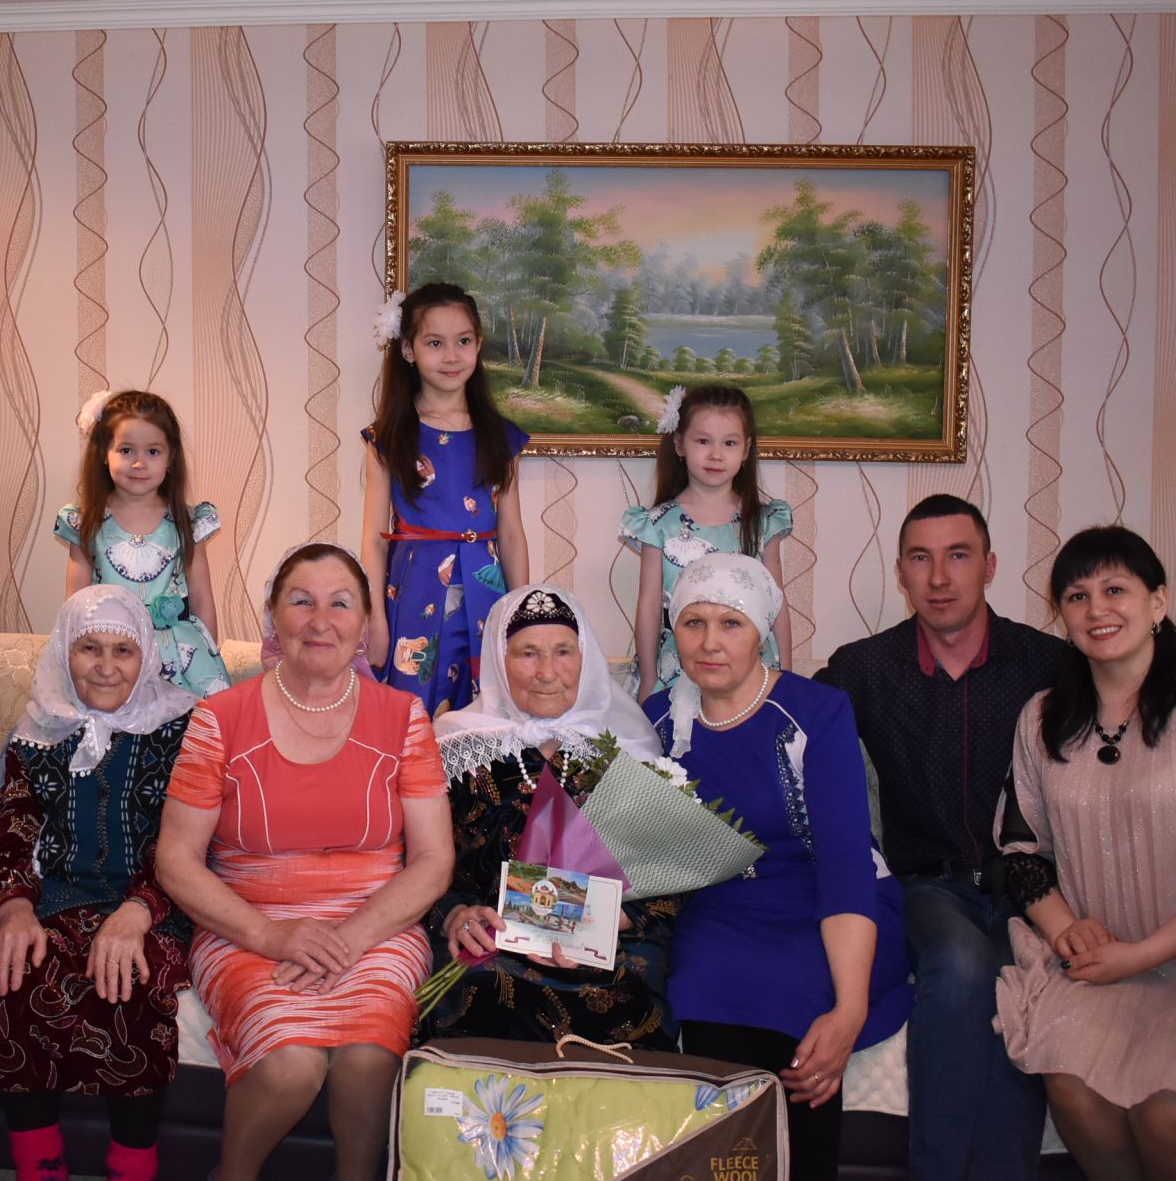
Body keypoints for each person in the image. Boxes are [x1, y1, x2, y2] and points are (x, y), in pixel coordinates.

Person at [156, 543, 454, 1181]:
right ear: (273, 615)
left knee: (369, 1057)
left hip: (376, 926)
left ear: (365, 623)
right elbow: (176, 860)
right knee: (291, 1065)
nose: (321, 621)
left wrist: (348, 940)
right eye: (301, 602)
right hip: (248, 925)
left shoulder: (404, 718)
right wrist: (272, 936)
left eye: (340, 604)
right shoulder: (217, 719)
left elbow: (433, 861)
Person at [994, 526, 1176, 1181]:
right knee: (1073, 1091)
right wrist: (1066, 930)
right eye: (1077, 596)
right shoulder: (1042, 717)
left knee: (1166, 1119)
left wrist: (1140, 955)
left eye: (1115, 589)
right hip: (1094, 967)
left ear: (1158, 601)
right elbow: (1022, 851)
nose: (1096, 609)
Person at [813, 493, 1063, 1181]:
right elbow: (793, 725)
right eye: (921, 559)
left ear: (990, 565)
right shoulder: (865, 667)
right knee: (959, 965)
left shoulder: (1046, 664)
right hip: (927, 884)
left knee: (1020, 984)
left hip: (1032, 885)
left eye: (958, 556)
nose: (940, 577)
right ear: (901, 573)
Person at [646, 552, 909, 1181]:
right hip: (717, 904)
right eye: (693, 623)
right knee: (704, 989)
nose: (710, 643)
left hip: (829, 895)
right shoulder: (656, 719)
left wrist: (849, 1009)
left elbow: (845, 862)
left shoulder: (816, 711)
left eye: (731, 624)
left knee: (799, 995)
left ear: (761, 630)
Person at [0, 585, 198, 1181]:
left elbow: (190, 842)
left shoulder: (182, 730)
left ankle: (132, 1168)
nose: (106, 666)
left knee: (128, 985)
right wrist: (13, 908)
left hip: (156, 904)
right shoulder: (40, 731)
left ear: (145, 657)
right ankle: (40, 1167)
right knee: (10, 979)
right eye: (90, 648)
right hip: (55, 902)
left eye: (123, 650)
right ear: (65, 652)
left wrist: (141, 909)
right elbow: (10, 830)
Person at [425, 584, 679, 1049]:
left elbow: (671, 875)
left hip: (610, 944)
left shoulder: (629, 747)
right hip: (492, 941)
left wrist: (614, 921)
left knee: (630, 989)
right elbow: (422, 860)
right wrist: (456, 914)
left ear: (586, 659)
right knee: (478, 989)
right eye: (527, 653)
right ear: (499, 660)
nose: (546, 672)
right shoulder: (456, 747)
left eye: (563, 651)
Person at [362, 282, 530, 716]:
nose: (452, 356)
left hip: (486, 592)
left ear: (478, 345)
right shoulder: (388, 437)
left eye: (463, 341)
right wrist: (375, 618)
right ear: (408, 350)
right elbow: (375, 540)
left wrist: (521, 614)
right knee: (412, 709)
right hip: (414, 593)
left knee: (487, 710)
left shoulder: (500, 436)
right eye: (435, 343)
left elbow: (511, 534)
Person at [621, 383, 793, 699]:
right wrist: (648, 677)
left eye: (729, 443)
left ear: (746, 450)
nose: (716, 454)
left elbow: (776, 604)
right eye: (703, 441)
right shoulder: (657, 525)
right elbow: (649, 607)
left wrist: (786, 677)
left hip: (751, 671)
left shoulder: (764, 522)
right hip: (678, 669)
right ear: (679, 444)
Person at [57, 388, 229, 696]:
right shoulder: (86, 522)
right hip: (111, 657)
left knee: (188, 723)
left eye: (153, 452)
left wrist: (208, 653)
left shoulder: (188, 522)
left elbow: (202, 597)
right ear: (103, 453)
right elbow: (75, 603)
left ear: (171, 456)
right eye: (126, 450)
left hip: (179, 657)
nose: (139, 463)